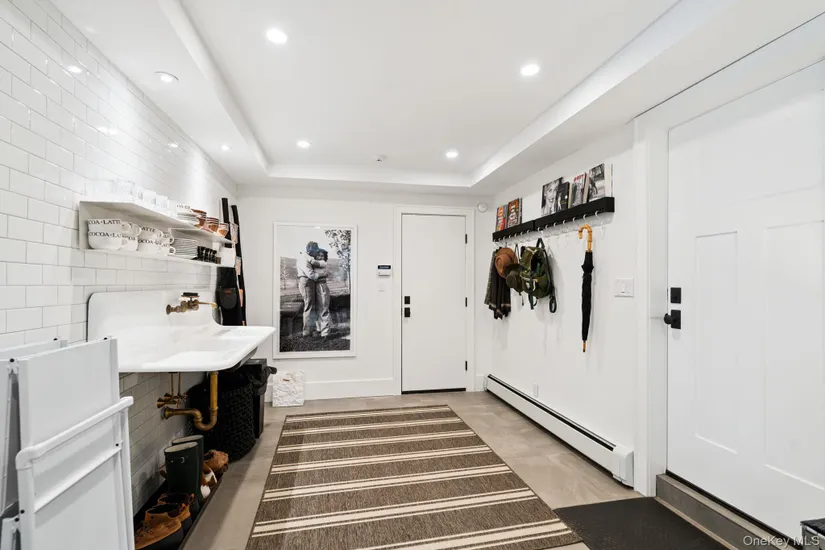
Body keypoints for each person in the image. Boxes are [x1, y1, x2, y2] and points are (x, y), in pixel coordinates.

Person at [295, 241, 321, 337]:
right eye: (315, 251)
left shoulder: (307, 258)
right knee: (309, 306)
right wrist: (322, 275)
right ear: (310, 250)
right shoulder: (303, 259)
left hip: (309, 282)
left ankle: (312, 329)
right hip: (306, 282)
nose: (317, 253)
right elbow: (311, 275)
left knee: (312, 306)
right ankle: (307, 332)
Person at [314, 249, 331, 338]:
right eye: (318, 255)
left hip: (322, 286)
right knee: (316, 309)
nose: (320, 257)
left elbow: (327, 274)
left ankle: (325, 333)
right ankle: (319, 329)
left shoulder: (324, 265)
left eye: (322, 256)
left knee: (323, 308)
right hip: (314, 287)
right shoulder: (313, 265)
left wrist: (318, 276)